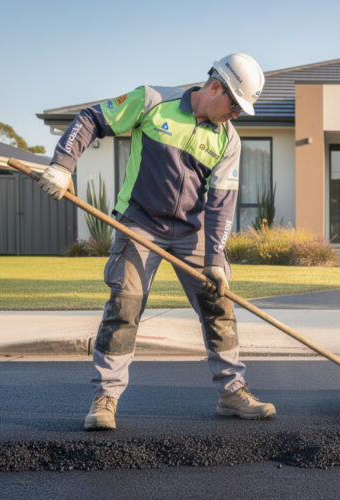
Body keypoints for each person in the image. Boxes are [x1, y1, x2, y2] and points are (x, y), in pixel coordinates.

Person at [37, 53, 275, 431]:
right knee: (125, 305)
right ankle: (106, 398)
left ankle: (232, 392)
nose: (237, 116)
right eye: (235, 106)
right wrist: (62, 166)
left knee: (218, 303)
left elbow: (221, 202)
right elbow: (91, 119)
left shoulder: (228, 140)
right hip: (140, 224)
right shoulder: (151, 101)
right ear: (216, 87)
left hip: (191, 233)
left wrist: (215, 256)